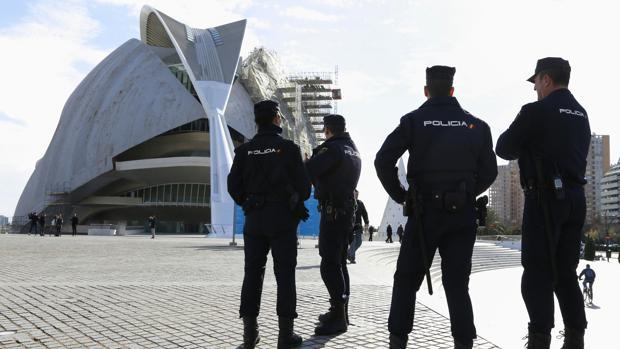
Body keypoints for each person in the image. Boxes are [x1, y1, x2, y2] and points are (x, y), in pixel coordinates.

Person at [375, 65, 497, 349]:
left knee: (406, 280)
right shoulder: (477, 125)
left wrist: (401, 195)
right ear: (452, 90)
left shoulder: (414, 121)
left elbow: (383, 160)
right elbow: (490, 173)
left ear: (426, 91)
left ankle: (398, 343)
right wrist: (465, 194)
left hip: (424, 214)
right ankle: (464, 344)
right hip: (462, 217)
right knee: (457, 285)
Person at [496, 57, 590, 349]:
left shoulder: (536, 111)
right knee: (565, 272)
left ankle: (539, 339)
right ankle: (576, 337)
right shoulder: (581, 113)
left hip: (546, 199)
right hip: (576, 199)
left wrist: (527, 141)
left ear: (546, 79)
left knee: (537, 271)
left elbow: (503, 147)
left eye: (535, 82)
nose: (534, 88)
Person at [228, 100, 311, 349]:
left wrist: (250, 201)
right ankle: (285, 336)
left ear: (257, 121)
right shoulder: (289, 148)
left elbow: (233, 186)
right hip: (282, 220)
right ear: (276, 118)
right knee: (285, 276)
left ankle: (249, 338)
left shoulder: (245, 151)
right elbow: (305, 189)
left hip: (254, 220)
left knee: (252, 274)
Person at [306, 113, 361, 336]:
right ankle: (341, 311)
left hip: (333, 213)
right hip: (346, 212)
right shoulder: (352, 148)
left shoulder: (332, 148)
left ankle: (338, 317)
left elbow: (309, 170)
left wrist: (306, 161)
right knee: (340, 263)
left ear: (327, 129)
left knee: (329, 264)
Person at [347, 190, 369, 264]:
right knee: (353, 241)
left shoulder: (360, 203)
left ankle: (348, 253)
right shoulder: (348, 202)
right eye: (355, 194)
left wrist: (366, 222)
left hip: (358, 226)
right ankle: (352, 257)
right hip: (350, 226)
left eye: (357, 195)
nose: (356, 196)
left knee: (359, 242)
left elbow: (364, 213)